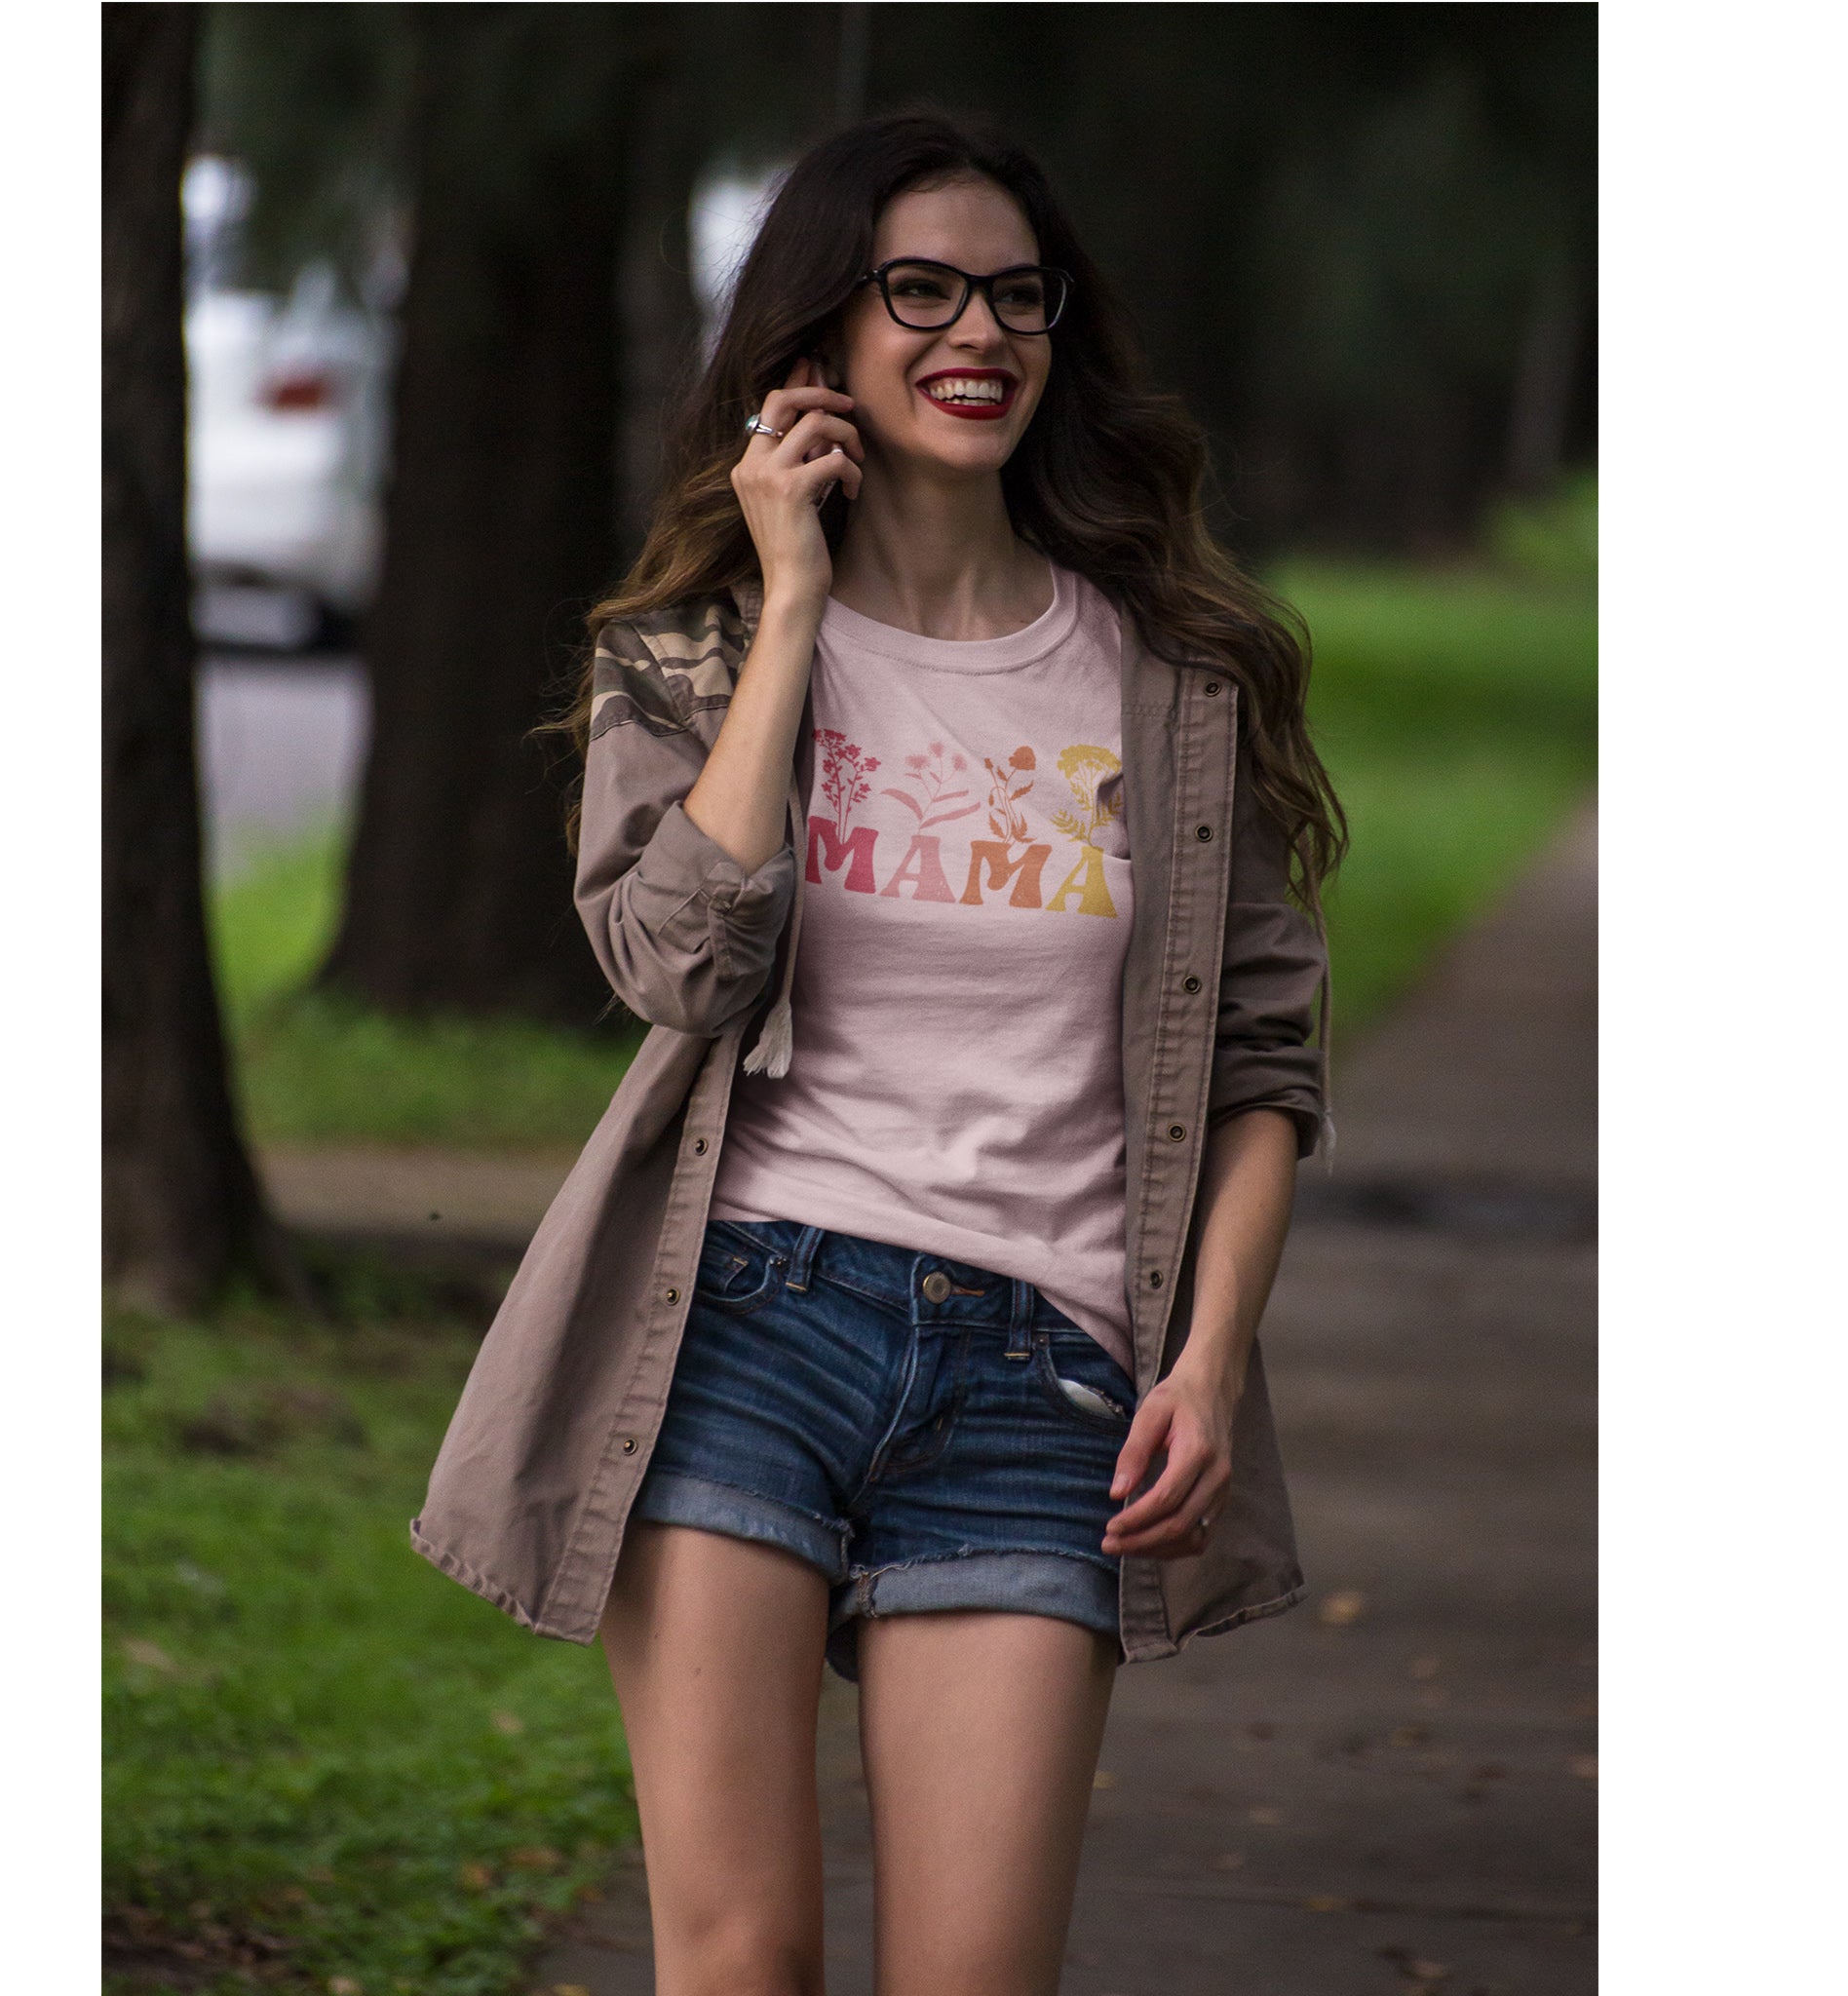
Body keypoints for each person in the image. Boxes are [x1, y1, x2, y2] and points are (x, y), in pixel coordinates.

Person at [411, 111, 1341, 1993]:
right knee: (742, 1956)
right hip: (746, 1324)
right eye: (919, 288)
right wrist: (796, 608)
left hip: (1048, 1376)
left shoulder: (1172, 674)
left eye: (1015, 293)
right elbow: (679, 963)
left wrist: (1214, 1356)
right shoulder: (694, 653)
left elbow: (1262, 1059)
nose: (975, 330)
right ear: (819, 341)